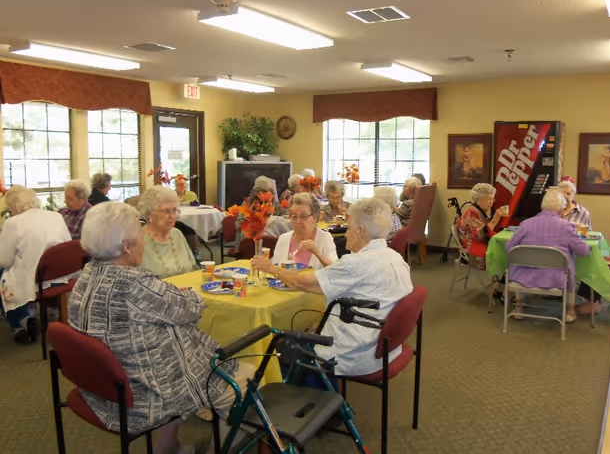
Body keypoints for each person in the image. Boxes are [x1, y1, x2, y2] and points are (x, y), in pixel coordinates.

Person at [68, 202, 255, 454]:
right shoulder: (135, 284)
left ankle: (168, 445)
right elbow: (193, 307)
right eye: (140, 234)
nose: (144, 241)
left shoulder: (85, 277)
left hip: (104, 388)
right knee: (249, 377)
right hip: (144, 395)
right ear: (126, 246)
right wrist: (180, 293)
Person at [252, 198, 413, 376]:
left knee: (275, 344)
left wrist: (270, 268)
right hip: (384, 347)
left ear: (360, 231)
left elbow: (301, 282)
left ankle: (303, 397)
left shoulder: (355, 264)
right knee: (310, 326)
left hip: (353, 353)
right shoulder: (396, 258)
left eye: (349, 227)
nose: (345, 234)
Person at [0, 186, 71, 344]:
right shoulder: (56, 216)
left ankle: (21, 322)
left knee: (3, 276)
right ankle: (31, 319)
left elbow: (4, 260)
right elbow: (68, 245)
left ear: (14, 205)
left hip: (33, 280)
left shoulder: (13, 222)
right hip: (59, 276)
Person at [505, 189, 590, 322]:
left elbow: (508, 248)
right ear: (562, 209)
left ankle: (519, 308)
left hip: (523, 278)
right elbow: (584, 252)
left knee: (518, 263)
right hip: (557, 280)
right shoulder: (566, 227)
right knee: (570, 263)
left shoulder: (525, 224)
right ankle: (569, 311)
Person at [138, 186, 197, 278]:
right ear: (150, 214)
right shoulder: (137, 240)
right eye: (166, 211)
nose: (172, 216)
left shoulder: (177, 233)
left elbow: (193, 268)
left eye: (174, 210)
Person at [272, 193, 337, 269]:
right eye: (294, 216)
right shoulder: (283, 238)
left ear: (315, 218)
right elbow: (275, 270)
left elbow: (335, 272)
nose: (298, 221)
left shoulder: (325, 238)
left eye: (303, 216)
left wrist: (317, 252)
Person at [457, 183, 508, 270]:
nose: (491, 202)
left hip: (479, 247)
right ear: (478, 200)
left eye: (492, 199)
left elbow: (488, 231)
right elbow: (480, 236)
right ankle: (506, 278)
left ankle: (505, 278)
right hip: (473, 255)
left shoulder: (479, 212)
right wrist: (495, 218)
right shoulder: (471, 213)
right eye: (488, 199)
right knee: (510, 253)